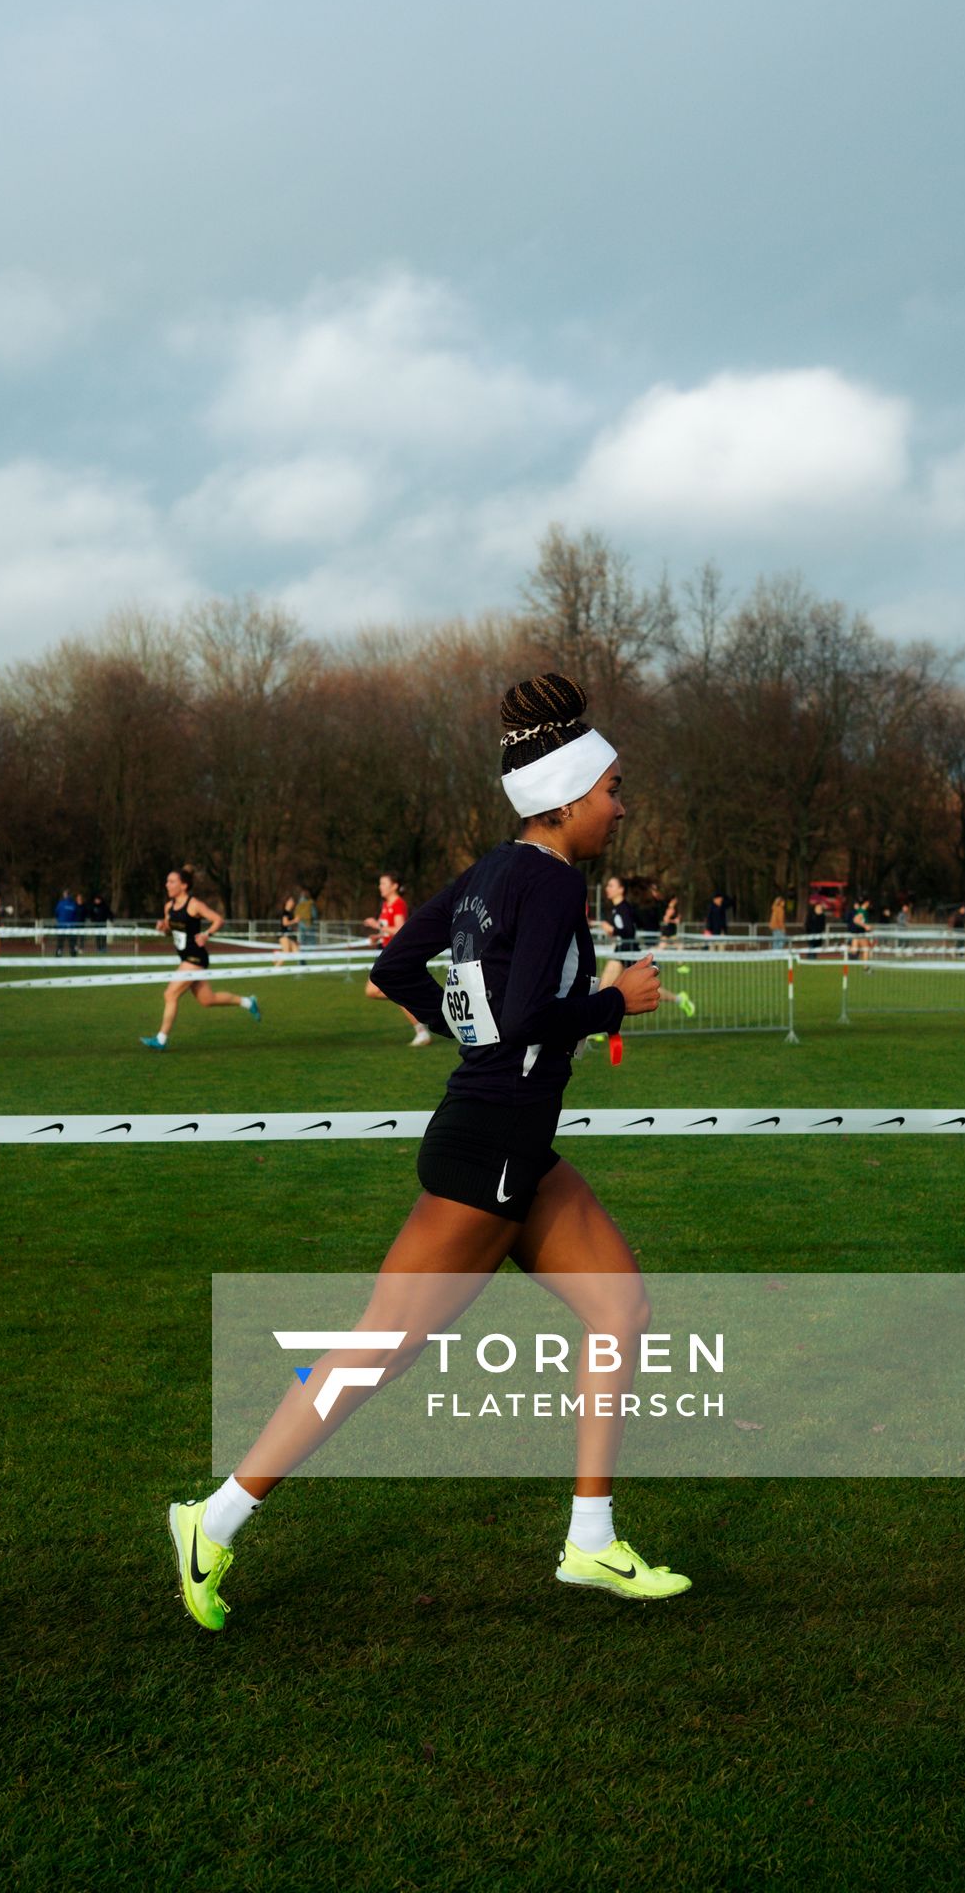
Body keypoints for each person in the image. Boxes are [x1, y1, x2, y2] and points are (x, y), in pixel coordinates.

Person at [166, 672, 690, 1632]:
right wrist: (619, 1001)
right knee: (377, 1352)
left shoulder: (493, 870)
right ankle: (215, 1518)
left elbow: (396, 968)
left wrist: (477, 1038)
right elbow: (532, 1015)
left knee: (621, 1304)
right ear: (568, 797)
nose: (621, 806)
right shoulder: (552, 882)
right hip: (489, 1150)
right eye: (612, 789)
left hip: (512, 1145)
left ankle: (590, 1536)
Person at [140, 866, 261, 1050]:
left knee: (170, 994)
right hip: (185, 958)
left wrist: (206, 934)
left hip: (195, 958)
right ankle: (248, 1002)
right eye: (167, 881)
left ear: (184, 885)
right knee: (207, 1000)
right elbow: (170, 932)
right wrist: (162, 928)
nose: (167, 885)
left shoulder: (194, 904)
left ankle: (161, 1039)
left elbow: (218, 919)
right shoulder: (168, 907)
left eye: (172, 881)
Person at [595, 875, 693, 1017]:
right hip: (622, 951)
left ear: (621, 889)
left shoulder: (624, 908)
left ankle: (599, 1029)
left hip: (626, 952)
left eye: (611, 885)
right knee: (614, 990)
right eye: (607, 885)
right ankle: (679, 998)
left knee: (606, 989)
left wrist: (612, 930)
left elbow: (629, 931)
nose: (607, 888)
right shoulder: (618, 908)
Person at [364, 871, 431, 1046]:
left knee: (376, 990)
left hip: (394, 956)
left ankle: (421, 1029)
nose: (380, 887)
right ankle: (419, 1021)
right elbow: (389, 931)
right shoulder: (386, 905)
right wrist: (378, 936)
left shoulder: (398, 904)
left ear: (394, 886)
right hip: (386, 953)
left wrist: (376, 925)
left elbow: (400, 930)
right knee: (376, 991)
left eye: (383, 883)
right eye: (380, 884)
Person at [54, 888, 80, 959]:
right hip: (71, 927)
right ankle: (73, 955)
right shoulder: (73, 904)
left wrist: (59, 920)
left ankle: (59, 954)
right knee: (72, 942)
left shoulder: (60, 903)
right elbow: (76, 915)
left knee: (60, 942)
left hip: (61, 926)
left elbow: (56, 913)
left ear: (65, 895)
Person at [274, 895, 300, 965]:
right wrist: (294, 921)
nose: (293, 902)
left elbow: (290, 926)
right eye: (291, 901)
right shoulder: (285, 912)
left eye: (293, 901)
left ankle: (277, 954)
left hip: (290, 936)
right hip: (283, 935)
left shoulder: (290, 913)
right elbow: (285, 923)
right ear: (287, 902)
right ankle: (276, 969)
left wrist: (296, 938)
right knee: (286, 953)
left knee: (297, 952)